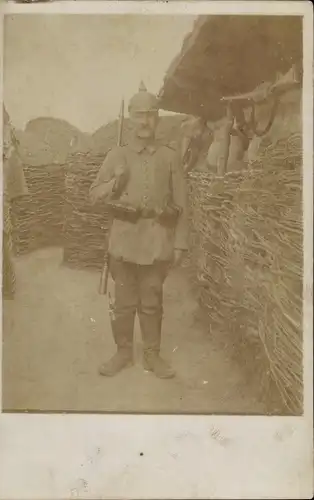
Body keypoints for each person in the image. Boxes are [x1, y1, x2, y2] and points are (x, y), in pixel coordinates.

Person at [89, 82, 189, 378]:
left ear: (157, 119)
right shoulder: (116, 155)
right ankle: (122, 352)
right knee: (123, 303)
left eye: (150, 115)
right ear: (130, 118)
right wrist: (114, 184)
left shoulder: (170, 157)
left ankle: (152, 355)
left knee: (152, 300)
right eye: (139, 115)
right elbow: (93, 194)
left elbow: (183, 203)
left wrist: (180, 243)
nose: (144, 121)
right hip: (123, 240)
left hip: (157, 240)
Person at [3, 106, 29, 299]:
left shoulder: (10, 154)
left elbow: (15, 186)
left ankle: (8, 288)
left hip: (3, 204)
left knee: (4, 246)